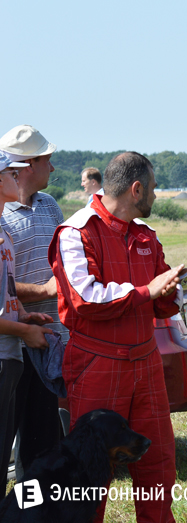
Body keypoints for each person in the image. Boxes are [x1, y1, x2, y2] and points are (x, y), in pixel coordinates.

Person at [49, 151, 185, 522]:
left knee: (158, 463)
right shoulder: (76, 231)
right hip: (97, 364)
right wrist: (148, 291)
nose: (157, 197)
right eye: (154, 189)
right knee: (90, 473)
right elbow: (85, 298)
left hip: (146, 362)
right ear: (136, 189)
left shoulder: (146, 235)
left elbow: (160, 301)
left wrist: (175, 291)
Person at [0, 125, 67, 479]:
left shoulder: (50, 206)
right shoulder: (1, 215)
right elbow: (4, 286)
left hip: (45, 340)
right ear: (26, 165)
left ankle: (31, 511)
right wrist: (43, 292)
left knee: (41, 447)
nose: (52, 168)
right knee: (6, 440)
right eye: (47, 160)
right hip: (11, 344)